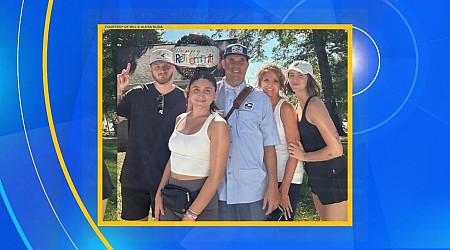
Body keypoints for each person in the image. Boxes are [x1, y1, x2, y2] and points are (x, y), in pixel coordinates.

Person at [116, 48, 186, 221]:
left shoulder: (184, 99)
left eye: (166, 66)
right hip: (134, 176)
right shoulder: (136, 94)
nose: (161, 70)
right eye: (157, 66)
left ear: (174, 68)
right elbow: (116, 118)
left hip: (167, 179)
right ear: (150, 69)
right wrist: (118, 91)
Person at [215, 44, 280, 221]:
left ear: (247, 65)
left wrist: (273, 186)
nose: (236, 65)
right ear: (223, 64)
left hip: (252, 187)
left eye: (241, 61)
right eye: (231, 61)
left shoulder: (261, 99)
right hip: (217, 187)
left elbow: (269, 145)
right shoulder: (210, 93)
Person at [154, 71, 230, 221]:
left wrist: (192, 214)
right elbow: (172, 158)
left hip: (199, 199)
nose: (201, 94)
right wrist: (159, 193)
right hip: (171, 195)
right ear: (189, 92)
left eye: (207, 90)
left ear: (215, 93)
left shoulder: (217, 124)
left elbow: (216, 176)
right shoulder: (180, 119)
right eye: (196, 89)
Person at [286, 60, 348, 221]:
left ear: (309, 79)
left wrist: (304, 156)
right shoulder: (298, 107)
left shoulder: (314, 106)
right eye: (291, 75)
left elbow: (336, 149)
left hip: (333, 175)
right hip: (316, 175)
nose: (295, 79)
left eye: (300, 75)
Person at [256, 63, 305, 221]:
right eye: (266, 80)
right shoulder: (256, 107)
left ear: (281, 84)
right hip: (266, 175)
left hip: (287, 175)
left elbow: (295, 150)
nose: (270, 85)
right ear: (259, 83)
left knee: (282, 226)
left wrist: (283, 191)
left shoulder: (285, 109)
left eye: (275, 81)